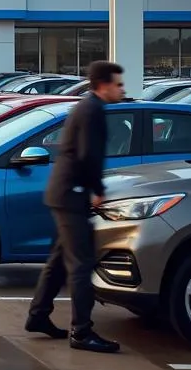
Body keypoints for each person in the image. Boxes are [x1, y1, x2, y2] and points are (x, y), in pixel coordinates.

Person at [25, 59, 126, 353]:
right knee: (81, 264)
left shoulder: (86, 107)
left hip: (62, 192)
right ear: (104, 85)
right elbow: (88, 156)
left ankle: (38, 316)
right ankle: (82, 332)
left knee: (58, 261)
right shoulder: (92, 110)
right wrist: (97, 189)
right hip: (72, 195)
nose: (122, 89)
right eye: (118, 84)